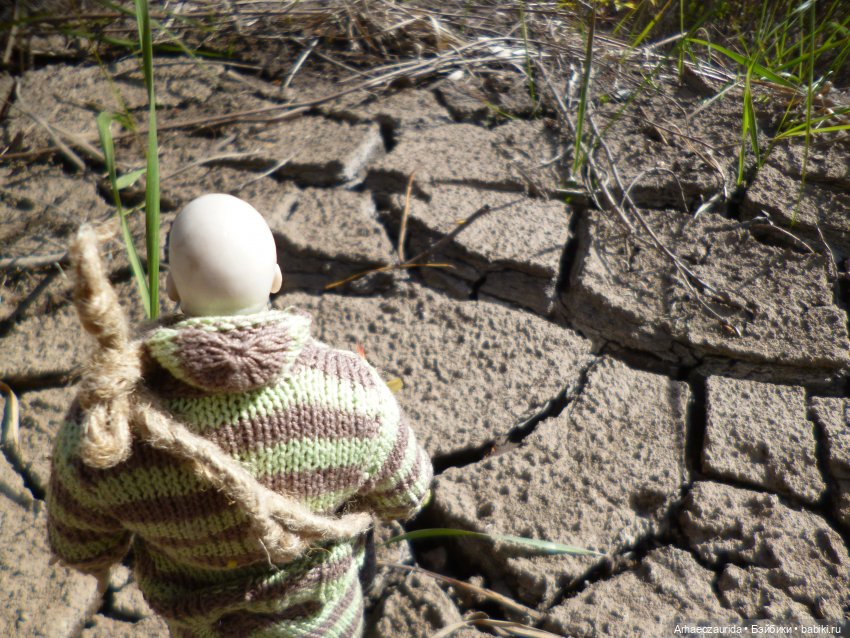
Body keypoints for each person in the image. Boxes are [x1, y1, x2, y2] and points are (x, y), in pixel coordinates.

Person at [46, 193, 433, 638]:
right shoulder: (351, 390)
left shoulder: (107, 422)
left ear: (171, 287)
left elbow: (78, 545)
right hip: (325, 621)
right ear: (275, 278)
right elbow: (408, 494)